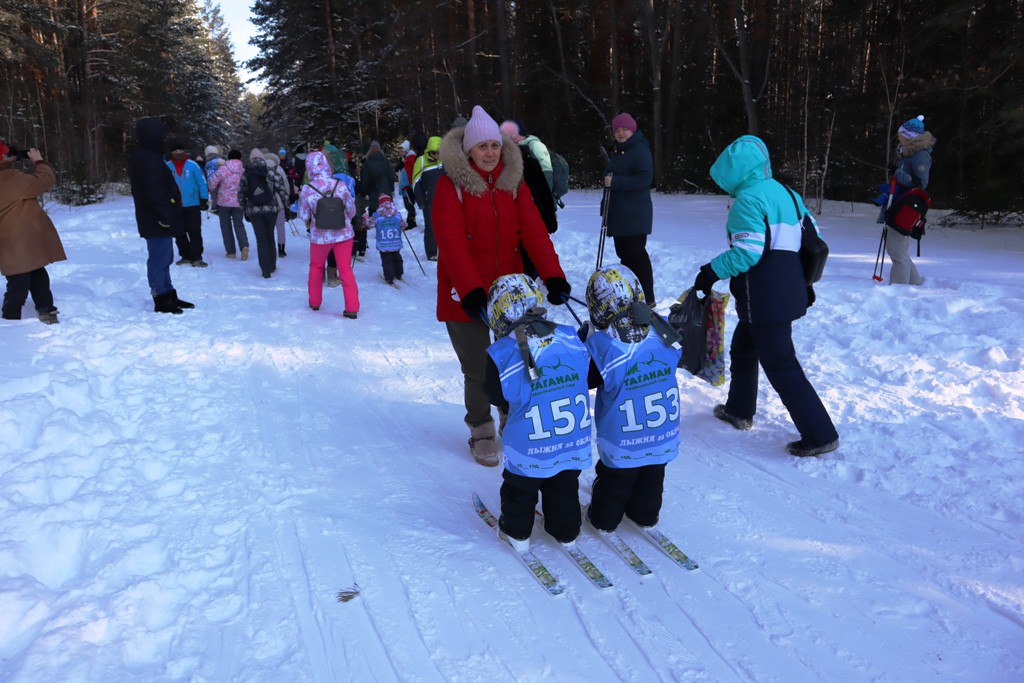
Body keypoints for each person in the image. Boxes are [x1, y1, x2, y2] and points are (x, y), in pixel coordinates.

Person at [433, 104, 571, 466]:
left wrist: (553, 275)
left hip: (508, 291)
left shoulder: (513, 182)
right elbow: (450, 243)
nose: (490, 153)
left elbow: (534, 232)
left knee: (513, 359)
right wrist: (471, 290)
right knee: (478, 366)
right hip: (465, 294)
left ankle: (512, 415)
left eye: (494, 145)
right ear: (469, 150)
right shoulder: (452, 186)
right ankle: (481, 427)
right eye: (482, 147)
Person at [691, 134, 838, 458]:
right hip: (786, 290)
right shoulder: (787, 193)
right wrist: (803, 282)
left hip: (763, 296)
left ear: (734, 173)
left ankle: (820, 434)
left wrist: (711, 271)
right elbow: (812, 239)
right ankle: (739, 410)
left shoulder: (747, 200)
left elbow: (747, 252)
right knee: (744, 348)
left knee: (781, 363)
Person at [483, 274, 592, 551]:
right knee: (564, 487)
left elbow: (495, 395)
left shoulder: (501, 352)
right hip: (571, 440)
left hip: (529, 445)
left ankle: (516, 534)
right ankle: (566, 531)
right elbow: (587, 376)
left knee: (519, 491)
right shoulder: (569, 336)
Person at [581, 265, 682, 532]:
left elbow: (588, 378)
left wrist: (588, 341)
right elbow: (675, 354)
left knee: (614, 482)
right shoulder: (662, 330)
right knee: (652, 478)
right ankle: (645, 515)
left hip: (624, 438)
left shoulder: (603, 347)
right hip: (662, 434)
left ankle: (603, 519)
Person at [128, 117, 192, 314]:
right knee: (159, 259)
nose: (163, 138)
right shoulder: (147, 158)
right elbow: (154, 191)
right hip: (156, 219)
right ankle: (161, 299)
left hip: (156, 218)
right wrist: (165, 215)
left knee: (165, 258)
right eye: (160, 134)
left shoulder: (149, 156)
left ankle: (168, 294)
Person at [0, 146, 65, 324]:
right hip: (16, 240)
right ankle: (9, 323)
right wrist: (39, 161)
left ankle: (47, 313)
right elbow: (44, 180)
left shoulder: (9, 177)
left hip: (13, 240)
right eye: (6, 154)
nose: (10, 155)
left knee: (36, 271)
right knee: (19, 282)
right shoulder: (9, 178)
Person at [603, 112, 655, 307]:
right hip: (621, 214)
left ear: (632, 130)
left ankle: (647, 298)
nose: (621, 133)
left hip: (634, 214)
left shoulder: (639, 150)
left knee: (636, 255)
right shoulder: (620, 151)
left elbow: (645, 179)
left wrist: (615, 181)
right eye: (617, 130)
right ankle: (633, 294)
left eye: (624, 129)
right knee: (625, 255)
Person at [299, 150, 359, 318]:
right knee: (345, 269)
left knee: (316, 268)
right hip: (343, 235)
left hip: (319, 237)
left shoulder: (307, 189)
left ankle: (315, 302)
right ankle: (352, 307)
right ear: (326, 164)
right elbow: (351, 210)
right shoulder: (339, 184)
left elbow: (303, 215)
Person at [499, 119, 558, 279]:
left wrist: (549, 219)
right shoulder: (499, 165)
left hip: (532, 220)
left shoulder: (531, 159)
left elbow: (545, 188)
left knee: (529, 260)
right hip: (516, 224)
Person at [884, 115, 935, 286]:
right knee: (898, 249)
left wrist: (897, 173)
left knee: (897, 250)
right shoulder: (907, 153)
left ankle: (898, 289)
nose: (898, 137)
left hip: (907, 208)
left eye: (901, 134)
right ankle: (915, 283)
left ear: (910, 136)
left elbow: (920, 184)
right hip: (898, 203)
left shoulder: (920, 155)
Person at [238, 148, 288, 278]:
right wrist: (285, 205)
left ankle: (265, 269)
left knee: (261, 239)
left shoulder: (246, 175)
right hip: (271, 210)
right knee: (270, 236)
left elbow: (241, 194)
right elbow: (281, 190)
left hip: (254, 211)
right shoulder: (270, 172)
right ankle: (272, 265)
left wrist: (244, 207)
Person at [165, 141, 209, 267]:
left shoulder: (193, 166)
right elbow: (163, 186)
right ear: (171, 153)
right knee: (179, 232)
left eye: (180, 151)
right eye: (175, 151)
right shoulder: (167, 167)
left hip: (193, 204)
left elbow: (202, 182)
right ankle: (185, 256)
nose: (178, 153)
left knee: (194, 231)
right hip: (175, 205)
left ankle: (197, 257)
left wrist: (204, 199)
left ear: (184, 152)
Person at [209, 149, 249, 260]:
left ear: (229, 158)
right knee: (239, 224)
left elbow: (212, 184)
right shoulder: (243, 170)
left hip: (223, 202)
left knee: (225, 226)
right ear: (240, 158)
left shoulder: (222, 169)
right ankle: (244, 246)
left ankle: (231, 251)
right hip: (239, 202)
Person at [412, 135, 442, 261]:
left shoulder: (444, 160)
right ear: (429, 151)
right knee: (431, 226)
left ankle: (445, 250)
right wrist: (420, 201)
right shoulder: (421, 161)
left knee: (446, 226)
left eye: (439, 152)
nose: (436, 155)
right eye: (434, 152)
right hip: (429, 201)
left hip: (444, 200)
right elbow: (415, 182)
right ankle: (431, 252)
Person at [369, 193, 406, 285]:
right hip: (396, 242)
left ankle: (389, 277)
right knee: (397, 257)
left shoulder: (377, 215)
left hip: (384, 243)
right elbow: (403, 225)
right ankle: (398, 273)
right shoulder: (397, 215)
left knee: (387, 260)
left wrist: (365, 220)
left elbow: (370, 224)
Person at [264, 151, 291, 257]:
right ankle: (281, 248)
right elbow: (286, 187)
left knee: (267, 227)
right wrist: (286, 199)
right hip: (279, 202)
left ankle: (268, 247)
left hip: (265, 202)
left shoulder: (260, 169)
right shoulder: (279, 169)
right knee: (280, 226)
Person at [397, 140, 418, 229]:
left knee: (409, 204)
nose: (400, 153)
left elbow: (410, 172)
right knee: (407, 204)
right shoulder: (404, 159)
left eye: (401, 151)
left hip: (408, 186)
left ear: (406, 151)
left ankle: (412, 222)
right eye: (399, 151)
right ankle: (411, 221)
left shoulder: (411, 159)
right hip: (405, 186)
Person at [203, 145, 224, 211]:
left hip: (210, 181)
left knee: (214, 194)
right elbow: (223, 163)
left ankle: (214, 206)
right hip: (217, 180)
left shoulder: (207, 164)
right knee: (219, 194)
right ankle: (216, 207)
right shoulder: (216, 161)